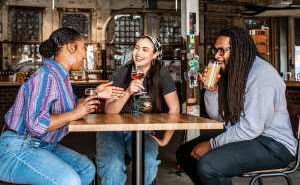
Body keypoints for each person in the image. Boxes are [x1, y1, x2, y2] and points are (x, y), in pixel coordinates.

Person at [0, 27, 124, 185]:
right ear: (71, 47)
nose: (85, 55)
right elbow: (36, 125)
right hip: (17, 148)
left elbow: (72, 108)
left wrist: (97, 94)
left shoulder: (61, 77)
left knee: (86, 169)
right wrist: (75, 113)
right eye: (83, 48)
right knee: (69, 181)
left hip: (42, 145)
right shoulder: (46, 76)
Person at [176, 26, 297, 185]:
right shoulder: (235, 73)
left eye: (222, 51)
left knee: (209, 166)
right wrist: (212, 90)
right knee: (185, 152)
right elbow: (219, 116)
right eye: (215, 51)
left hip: (274, 145)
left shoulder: (262, 75)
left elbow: (252, 127)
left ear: (239, 50)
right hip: (250, 137)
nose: (217, 56)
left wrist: (212, 144)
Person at [96, 35, 180, 185]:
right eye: (136, 48)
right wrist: (128, 91)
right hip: (113, 129)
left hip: (143, 130)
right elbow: (109, 111)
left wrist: (165, 139)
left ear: (154, 55)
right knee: (112, 165)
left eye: (145, 49)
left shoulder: (161, 73)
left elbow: (174, 108)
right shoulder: (122, 72)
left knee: (147, 163)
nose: (138, 53)